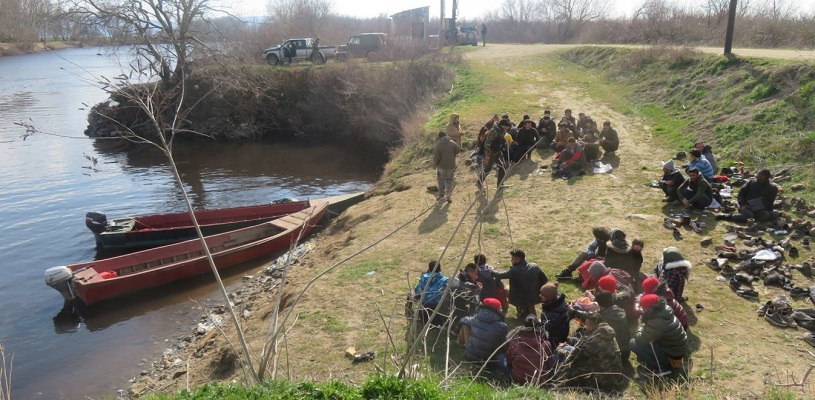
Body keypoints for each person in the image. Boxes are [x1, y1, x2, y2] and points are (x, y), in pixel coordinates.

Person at [556, 312, 626, 392]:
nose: (585, 327)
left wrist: (559, 348)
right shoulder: (606, 333)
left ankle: (556, 380)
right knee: (572, 346)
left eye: (587, 324)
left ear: (594, 325)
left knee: (569, 362)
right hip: (615, 378)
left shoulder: (594, 339)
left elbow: (574, 356)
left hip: (602, 381)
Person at [630, 294, 687, 377]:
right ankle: (657, 362)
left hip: (672, 354)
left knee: (633, 343)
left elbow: (640, 340)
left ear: (648, 308)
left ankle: (662, 368)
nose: (641, 309)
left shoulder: (657, 322)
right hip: (676, 350)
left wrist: (639, 327)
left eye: (642, 307)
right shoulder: (665, 311)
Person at [571, 290, 631, 369]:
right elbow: (592, 314)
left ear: (600, 306)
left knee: (581, 334)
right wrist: (575, 311)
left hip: (615, 354)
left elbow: (591, 317)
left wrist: (573, 311)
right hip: (626, 352)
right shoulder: (618, 310)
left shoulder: (604, 318)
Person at [492, 249, 548, 318]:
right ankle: (530, 314)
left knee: (506, 289)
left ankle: (522, 313)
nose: (511, 260)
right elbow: (545, 280)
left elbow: (500, 275)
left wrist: (491, 270)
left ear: (517, 260)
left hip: (521, 299)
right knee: (530, 306)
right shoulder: (534, 266)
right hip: (535, 296)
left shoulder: (514, 271)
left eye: (512, 259)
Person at [458, 297, 508, 369]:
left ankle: (461, 344)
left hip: (470, 357)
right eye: (500, 308)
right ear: (496, 309)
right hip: (489, 362)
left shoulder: (475, 318)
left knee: (465, 324)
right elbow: (503, 346)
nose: (502, 310)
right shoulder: (501, 326)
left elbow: (463, 320)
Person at [505, 315, 554, 385]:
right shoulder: (545, 344)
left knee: (502, 358)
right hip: (538, 380)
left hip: (518, 379)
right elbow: (549, 363)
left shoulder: (515, 343)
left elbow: (508, 361)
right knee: (554, 357)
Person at [539, 282, 570, 348]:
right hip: (562, 336)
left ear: (548, 297)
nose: (539, 295)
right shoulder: (560, 304)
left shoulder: (551, 314)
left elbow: (546, 330)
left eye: (542, 295)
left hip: (554, 342)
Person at [433, 131, 461, 204]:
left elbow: (436, 158)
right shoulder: (451, 142)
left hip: (441, 167)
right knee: (449, 181)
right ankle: (448, 196)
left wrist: (434, 165)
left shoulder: (438, 145)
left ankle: (441, 196)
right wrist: (453, 154)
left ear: (439, 137)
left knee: (441, 182)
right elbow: (458, 149)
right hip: (451, 166)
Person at [484, 119, 511, 188]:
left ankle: (500, 184)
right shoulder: (494, 131)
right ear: (503, 125)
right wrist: (487, 155)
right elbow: (487, 143)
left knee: (503, 167)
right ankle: (479, 182)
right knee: (488, 169)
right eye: (507, 126)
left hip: (499, 152)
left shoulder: (502, 131)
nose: (508, 128)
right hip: (492, 153)